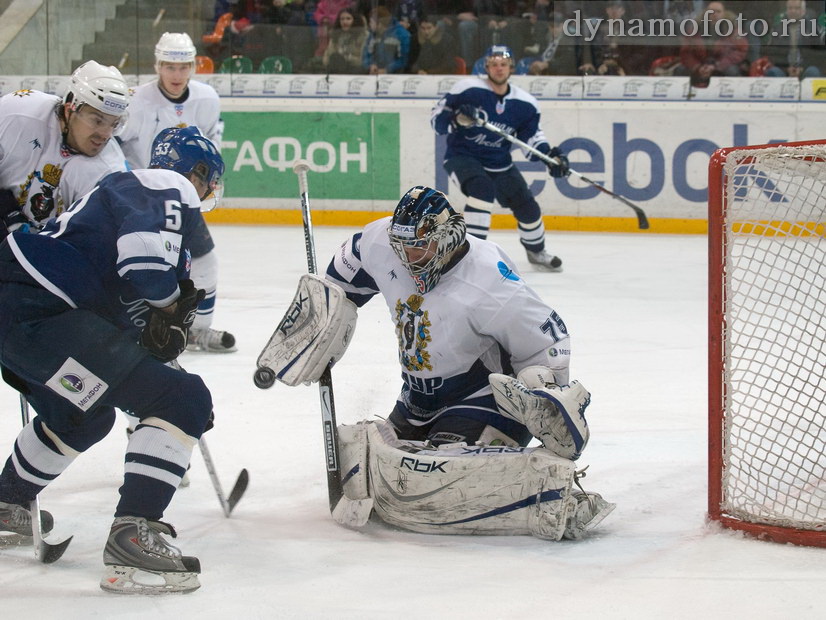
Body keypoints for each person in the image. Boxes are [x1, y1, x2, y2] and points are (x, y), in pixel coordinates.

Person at [265, 186, 614, 540]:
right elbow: (340, 284)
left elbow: (547, 342)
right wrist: (321, 321)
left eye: (418, 246)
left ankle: (552, 496)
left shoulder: (490, 280)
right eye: (400, 246)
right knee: (367, 468)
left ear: (447, 237)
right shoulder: (379, 243)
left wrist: (544, 392)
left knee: (434, 481)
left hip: (481, 397)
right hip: (416, 398)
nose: (406, 258)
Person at [0, 126, 223, 594]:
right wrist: (179, 400)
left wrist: (157, 355)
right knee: (184, 397)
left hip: (25, 316)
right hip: (42, 306)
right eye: (208, 181)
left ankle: (6, 506)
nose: (205, 193)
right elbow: (143, 268)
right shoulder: (166, 184)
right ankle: (133, 533)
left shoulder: (125, 195)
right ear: (198, 175)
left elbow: (119, 335)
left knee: (84, 417)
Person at [117, 32, 236, 354]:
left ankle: (198, 330)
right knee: (146, 264)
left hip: (182, 198)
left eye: (183, 66)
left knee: (204, 261)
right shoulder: (136, 100)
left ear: (193, 67)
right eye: (169, 66)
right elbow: (111, 145)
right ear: (157, 66)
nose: (176, 74)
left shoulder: (207, 99)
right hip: (139, 200)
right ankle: (135, 325)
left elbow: (210, 147)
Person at [430, 45, 570, 271]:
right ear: (486, 67)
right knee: (481, 190)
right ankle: (471, 255)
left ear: (511, 68)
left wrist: (550, 156)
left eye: (503, 64)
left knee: (527, 206)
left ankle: (536, 251)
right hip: (462, 156)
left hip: (500, 163)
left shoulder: (525, 103)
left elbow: (532, 138)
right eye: (493, 64)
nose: (498, 68)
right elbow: (437, 121)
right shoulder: (467, 89)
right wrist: (456, 117)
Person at [0, 61, 129, 240]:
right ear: (70, 108)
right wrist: (7, 210)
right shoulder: (17, 112)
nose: (106, 135)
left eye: (114, 124)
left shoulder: (110, 169)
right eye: (97, 121)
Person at [763, 0, 824, 79]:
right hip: (785, 70)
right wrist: (787, 69)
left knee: (813, 71)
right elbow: (774, 54)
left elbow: (817, 54)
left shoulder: (813, 27)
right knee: (773, 71)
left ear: (803, 11)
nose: (793, 11)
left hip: (805, 68)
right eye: (790, 8)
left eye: (797, 8)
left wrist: (802, 68)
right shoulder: (778, 28)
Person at [362, 6, 411, 74]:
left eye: (371, 22)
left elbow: (404, 59)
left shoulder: (401, 34)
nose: (369, 25)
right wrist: (370, 65)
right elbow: (366, 54)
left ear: (379, 24)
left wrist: (387, 70)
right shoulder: (372, 35)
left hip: (396, 75)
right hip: (374, 73)